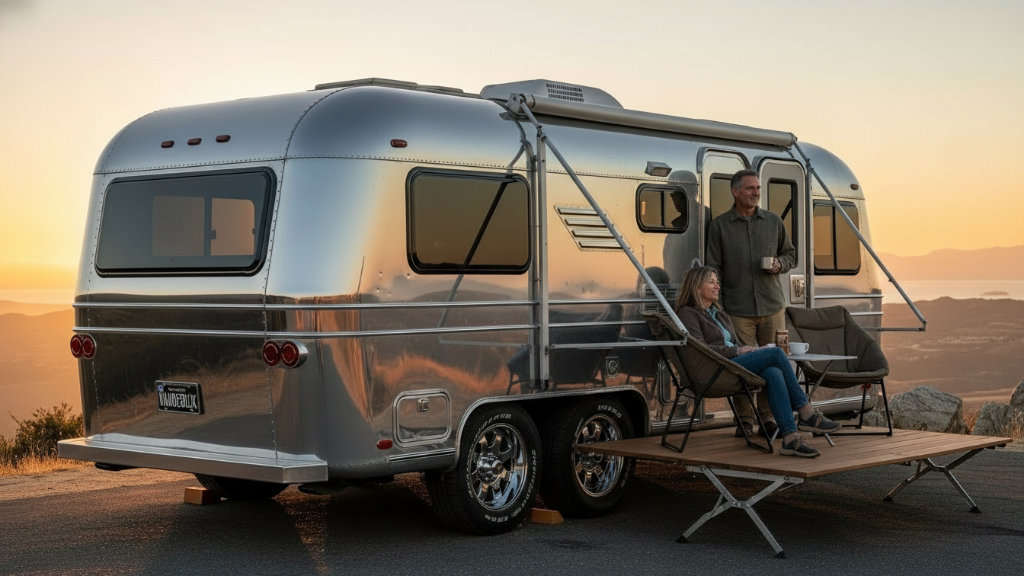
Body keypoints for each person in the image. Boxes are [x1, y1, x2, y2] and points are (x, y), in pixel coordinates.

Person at [674, 266, 840, 457]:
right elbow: (699, 348)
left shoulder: (718, 313)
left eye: (717, 281)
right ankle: (806, 412)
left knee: (773, 372)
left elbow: (733, 343)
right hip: (716, 369)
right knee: (776, 354)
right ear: (696, 286)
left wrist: (749, 350)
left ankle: (790, 438)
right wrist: (738, 350)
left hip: (732, 363)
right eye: (711, 282)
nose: (717, 286)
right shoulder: (688, 314)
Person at [706, 169, 797, 439]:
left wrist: (782, 264)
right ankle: (744, 421)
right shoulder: (720, 227)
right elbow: (713, 268)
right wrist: (718, 307)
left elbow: (790, 253)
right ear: (735, 192)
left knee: (774, 366)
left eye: (758, 188)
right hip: (736, 309)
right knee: (742, 366)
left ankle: (768, 419)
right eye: (750, 188)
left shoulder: (773, 222)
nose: (756, 193)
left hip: (772, 306)